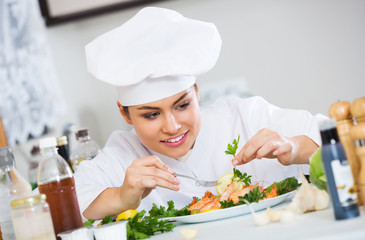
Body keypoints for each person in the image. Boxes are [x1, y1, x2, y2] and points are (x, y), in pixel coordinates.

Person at [75, 7, 325, 220]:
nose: (172, 127)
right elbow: (70, 205)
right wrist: (121, 196)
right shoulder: (122, 153)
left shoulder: (245, 116)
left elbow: (346, 141)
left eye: (182, 105)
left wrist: (294, 148)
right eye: (151, 115)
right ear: (125, 114)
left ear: (196, 91)